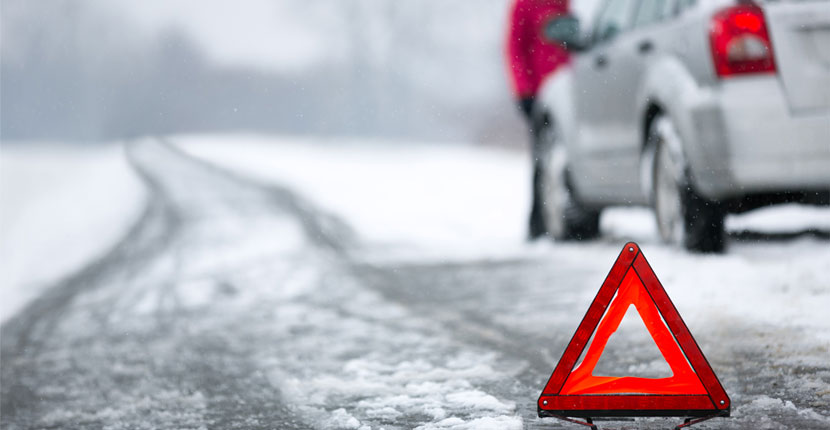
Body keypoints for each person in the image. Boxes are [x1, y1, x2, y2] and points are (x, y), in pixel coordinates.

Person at [505, 0, 571, 239]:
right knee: (542, 158)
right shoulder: (524, 5)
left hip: (568, 94)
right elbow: (515, 49)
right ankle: (538, 224)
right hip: (539, 95)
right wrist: (524, 91)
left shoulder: (563, 3)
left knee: (564, 157)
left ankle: (568, 220)